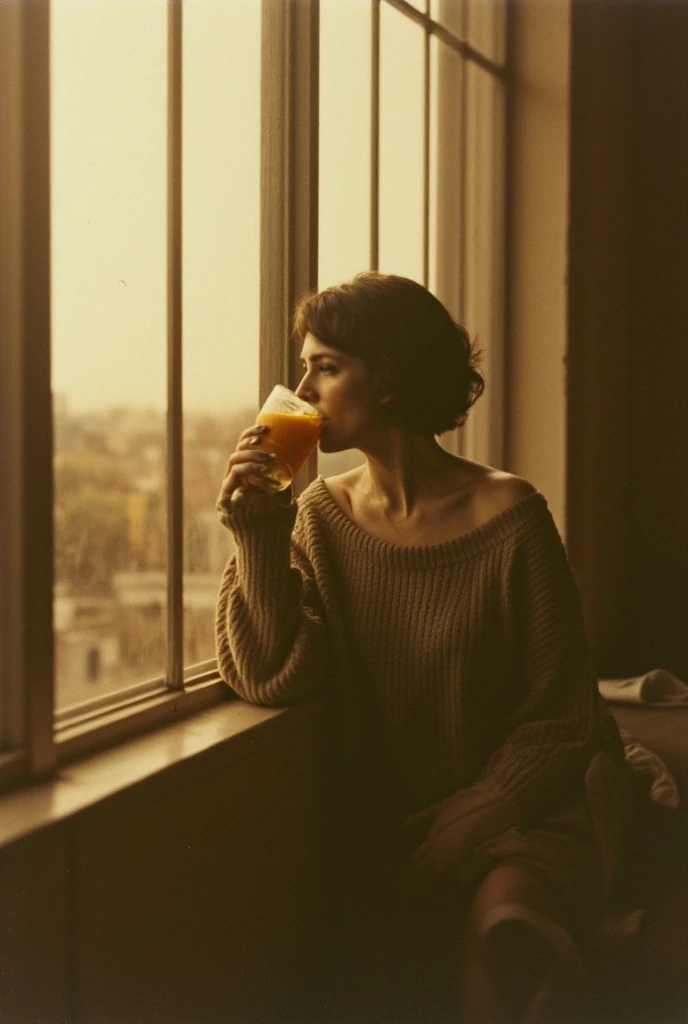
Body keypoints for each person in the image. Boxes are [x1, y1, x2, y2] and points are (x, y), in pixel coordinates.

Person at [215, 272, 632, 1022]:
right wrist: (258, 533)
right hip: (392, 824)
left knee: (503, 927)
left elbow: (566, 715)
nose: (300, 387)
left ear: (391, 380)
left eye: (327, 366)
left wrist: (484, 808)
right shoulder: (317, 515)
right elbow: (271, 675)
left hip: (523, 812)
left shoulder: (510, 516)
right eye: (305, 365)